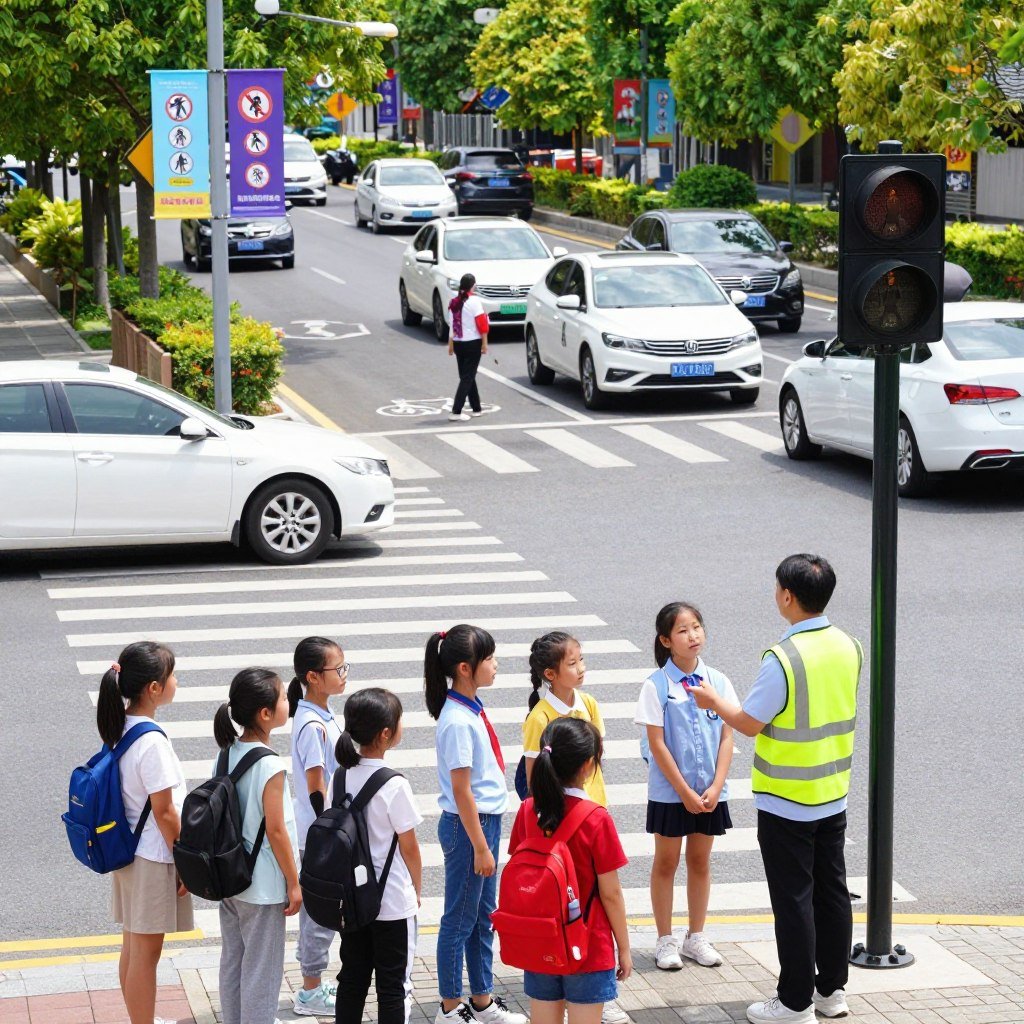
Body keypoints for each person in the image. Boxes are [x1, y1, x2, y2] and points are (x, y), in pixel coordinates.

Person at [687, 555, 862, 1024]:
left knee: (794, 900)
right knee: (832, 893)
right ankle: (831, 992)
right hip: (832, 791)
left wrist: (712, 701)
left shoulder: (784, 658)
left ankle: (794, 1002)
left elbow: (749, 722)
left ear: (787, 595)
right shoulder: (849, 645)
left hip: (787, 799)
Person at [424, 625, 527, 1024]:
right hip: (471, 829)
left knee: (483, 918)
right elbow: (461, 790)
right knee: (459, 921)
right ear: (465, 668)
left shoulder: (471, 708)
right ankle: (450, 1008)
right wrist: (482, 846)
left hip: (484, 823)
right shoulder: (457, 721)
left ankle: (482, 1001)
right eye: (489, 658)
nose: (496, 664)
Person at [509, 718, 631, 1024]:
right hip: (587, 943)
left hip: (540, 937)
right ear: (588, 765)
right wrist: (624, 949)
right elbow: (611, 894)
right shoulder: (596, 818)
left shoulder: (527, 810)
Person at [634, 603, 735, 972]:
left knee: (700, 861)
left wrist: (716, 785)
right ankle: (665, 940)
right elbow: (656, 745)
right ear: (666, 640)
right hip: (670, 793)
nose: (693, 636)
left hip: (709, 792)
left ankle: (696, 937)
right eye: (682, 630)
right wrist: (683, 792)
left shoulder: (718, 682)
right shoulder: (656, 685)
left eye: (697, 627)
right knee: (666, 862)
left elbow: (727, 736)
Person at [97, 641, 192, 1024]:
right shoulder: (152, 741)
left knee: (133, 947)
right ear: (154, 688)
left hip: (129, 851)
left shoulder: (120, 727)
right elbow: (165, 811)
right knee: (146, 954)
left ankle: (141, 1018)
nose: (176, 681)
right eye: (172, 675)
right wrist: (185, 861)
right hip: (153, 855)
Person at [214, 668, 302, 1024]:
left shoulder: (227, 753)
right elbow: (277, 831)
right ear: (265, 714)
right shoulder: (270, 764)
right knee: (262, 974)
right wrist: (294, 883)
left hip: (230, 877)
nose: (287, 702)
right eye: (282, 698)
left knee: (234, 962)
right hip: (263, 885)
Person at [332, 688, 423, 1024]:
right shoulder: (394, 784)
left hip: (353, 902)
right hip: (392, 903)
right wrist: (417, 889)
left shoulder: (340, 777)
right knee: (393, 987)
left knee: (352, 979)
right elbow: (410, 847)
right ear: (386, 733)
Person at [288, 637, 348, 1017]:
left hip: (320, 832)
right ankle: (310, 991)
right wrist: (330, 830)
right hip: (320, 835)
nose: (343, 674)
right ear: (312, 676)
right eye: (337, 669)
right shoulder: (313, 725)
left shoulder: (322, 714)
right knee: (319, 913)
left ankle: (313, 984)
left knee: (321, 911)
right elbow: (316, 786)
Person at [522, 632, 607, 806]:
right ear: (550, 674)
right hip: (560, 807)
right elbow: (533, 775)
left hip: (595, 801)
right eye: (572, 664)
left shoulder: (588, 703)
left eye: (581, 659)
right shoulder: (539, 718)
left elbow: (598, 752)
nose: (581, 668)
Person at [446, 273, 489, 422]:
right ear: (473, 286)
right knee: (467, 377)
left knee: (467, 376)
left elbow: (452, 325)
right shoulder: (475, 301)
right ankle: (456, 411)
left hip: (458, 343)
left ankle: (476, 408)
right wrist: (485, 343)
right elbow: (482, 324)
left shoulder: (454, 302)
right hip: (472, 343)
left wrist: (450, 344)